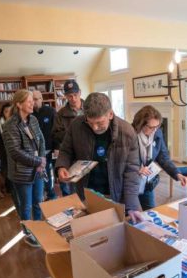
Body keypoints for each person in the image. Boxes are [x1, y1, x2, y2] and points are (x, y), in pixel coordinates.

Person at [56, 92, 143, 221]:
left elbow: (132, 170)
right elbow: (66, 150)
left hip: (115, 193)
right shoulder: (76, 125)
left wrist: (131, 206)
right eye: (90, 123)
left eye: (100, 122)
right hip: (86, 192)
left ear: (111, 114)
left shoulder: (127, 132)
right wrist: (62, 166)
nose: (95, 128)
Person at [2, 90, 46, 247]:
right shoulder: (9, 125)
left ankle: (39, 229)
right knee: (25, 206)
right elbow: (15, 152)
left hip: (38, 169)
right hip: (22, 173)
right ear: (19, 104)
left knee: (38, 202)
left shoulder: (33, 119)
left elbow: (41, 140)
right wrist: (38, 161)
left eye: (33, 100)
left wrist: (43, 158)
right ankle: (29, 233)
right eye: (29, 101)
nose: (32, 103)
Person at [132, 105, 187, 210]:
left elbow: (163, 157)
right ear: (140, 124)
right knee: (129, 214)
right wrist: (137, 168)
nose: (154, 130)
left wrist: (177, 173)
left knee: (151, 211)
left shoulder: (157, 133)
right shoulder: (129, 134)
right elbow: (120, 161)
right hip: (130, 182)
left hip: (146, 180)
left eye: (157, 126)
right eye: (151, 127)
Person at [51, 80, 83, 196]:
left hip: (87, 154)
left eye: (75, 95)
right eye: (70, 96)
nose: (73, 98)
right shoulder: (60, 114)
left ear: (80, 93)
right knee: (71, 190)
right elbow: (55, 134)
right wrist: (73, 133)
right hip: (70, 156)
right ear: (65, 96)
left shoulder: (89, 108)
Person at [0, 102, 20, 207]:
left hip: (17, 154)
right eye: (5, 111)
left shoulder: (17, 122)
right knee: (9, 174)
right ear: (2, 113)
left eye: (10, 111)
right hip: (5, 154)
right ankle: (11, 191)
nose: (8, 113)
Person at [32, 90, 57, 200]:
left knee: (54, 172)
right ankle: (49, 194)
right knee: (44, 173)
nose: (34, 102)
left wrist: (57, 147)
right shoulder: (30, 114)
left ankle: (55, 194)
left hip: (52, 149)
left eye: (36, 99)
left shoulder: (51, 111)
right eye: (32, 99)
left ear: (42, 99)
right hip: (37, 151)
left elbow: (57, 130)